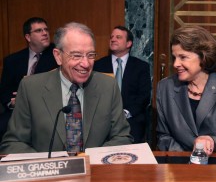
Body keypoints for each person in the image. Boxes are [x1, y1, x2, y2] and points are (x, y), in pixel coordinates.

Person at [0, 22, 133, 154]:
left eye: (91, 55)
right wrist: (48, 166)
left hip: (95, 171)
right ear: (58, 56)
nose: (86, 64)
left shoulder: (108, 86)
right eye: (76, 55)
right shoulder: (30, 88)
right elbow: (13, 143)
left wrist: (90, 160)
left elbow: (122, 137)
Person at [156, 25, 216, 154]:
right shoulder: (165, 87)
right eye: (174, 57)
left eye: (183, 57)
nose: (175, 64)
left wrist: (212, 142)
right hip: (179, 165)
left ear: (203, 57)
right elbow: (163, 138)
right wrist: (191, 157)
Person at [0, 17, 58, 141]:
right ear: (28, 37)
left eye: (46, 29)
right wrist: (13, 102)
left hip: (47, 109)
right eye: (38, 31)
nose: (45, 33)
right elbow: (4, 91)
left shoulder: (57, 55)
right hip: (18, 111)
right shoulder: (12, 60)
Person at [93, 26, 151, 143]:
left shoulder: (141, 66)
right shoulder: (98, 65)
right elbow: (93, 93)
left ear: (128, 43)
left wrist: (126, 113)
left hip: (132, 118)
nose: (113, 39)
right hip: (103, 119)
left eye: (118, 37)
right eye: (112, 37)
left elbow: (144, 96)